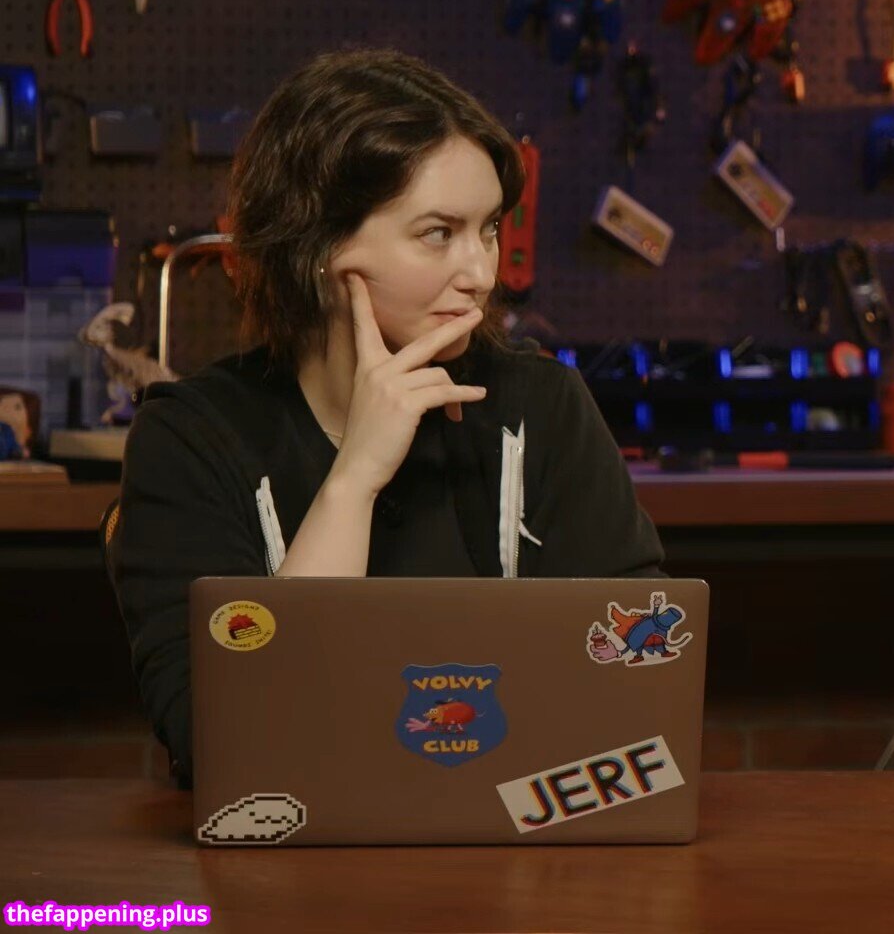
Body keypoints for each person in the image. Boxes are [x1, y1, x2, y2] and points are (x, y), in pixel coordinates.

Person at [109, 47, 664, 786]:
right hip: (291, 849)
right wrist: (355, 479)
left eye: (489, 228)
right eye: (439, 233)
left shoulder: (543, 408)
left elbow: (638, 682)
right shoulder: (191, 438)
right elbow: (226, 745)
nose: (482, 273)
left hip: (521, 839)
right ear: (320, 246)